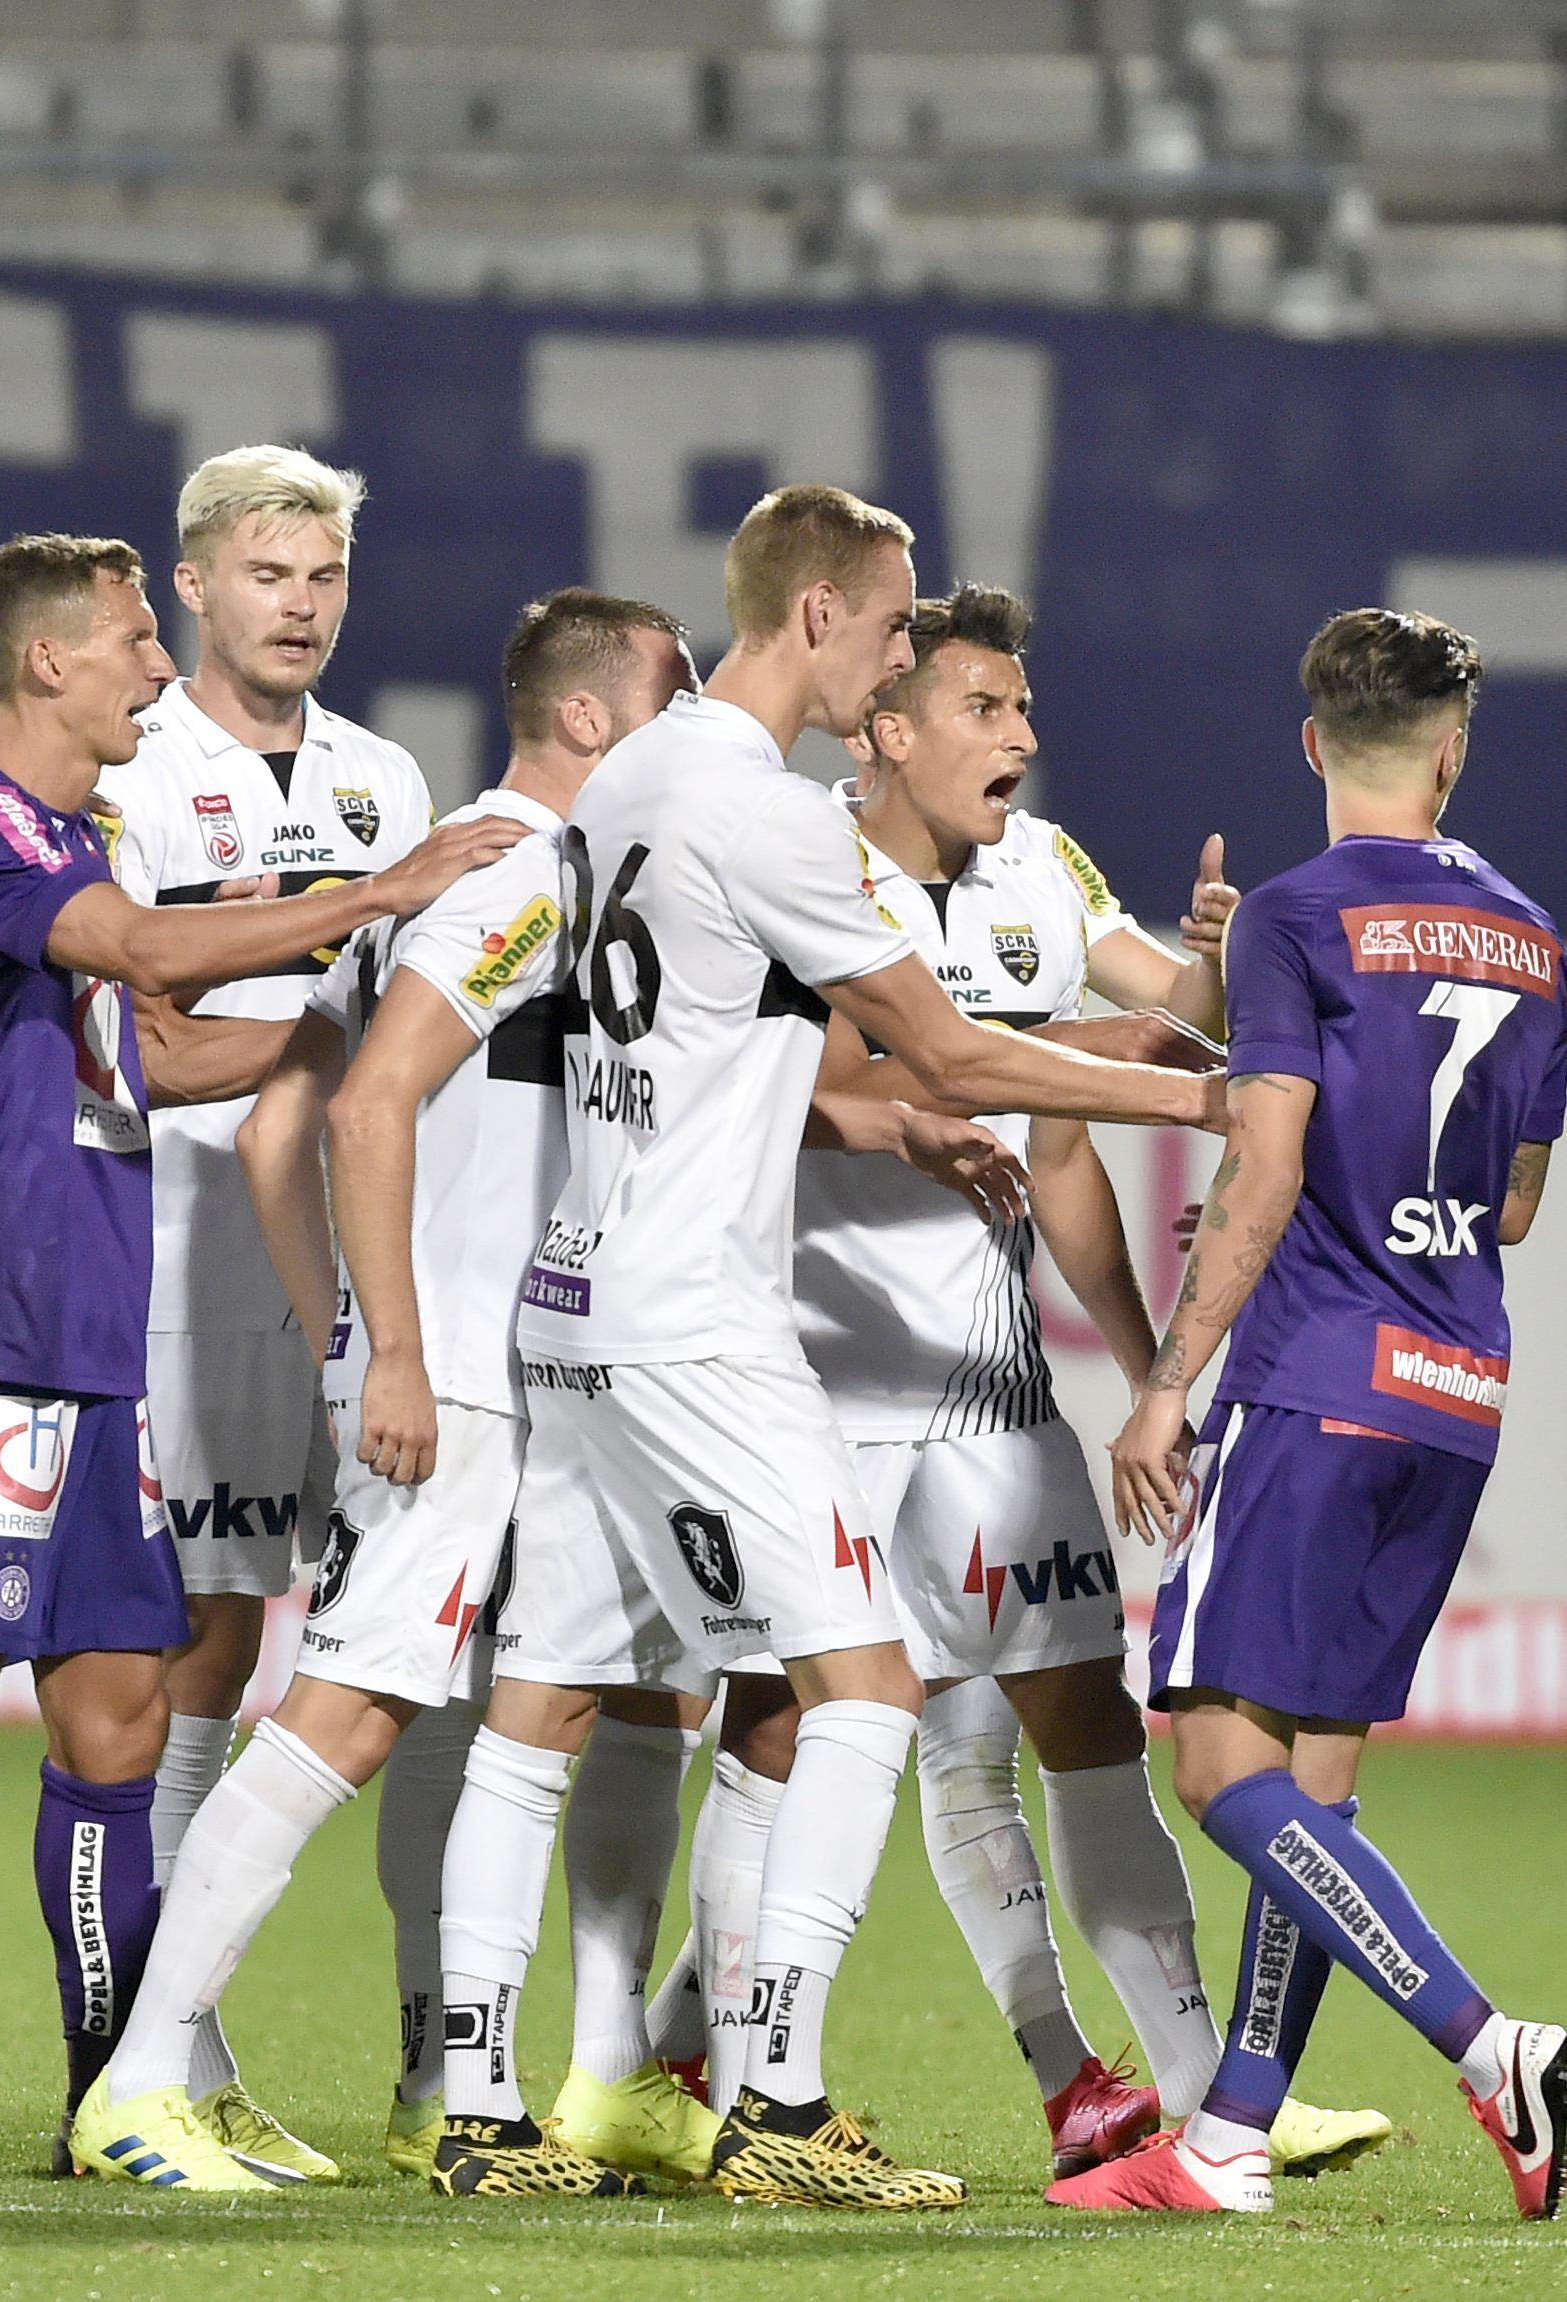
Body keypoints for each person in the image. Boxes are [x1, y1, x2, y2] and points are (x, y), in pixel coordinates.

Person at [435, 484, 1223, 2209]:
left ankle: (484, 2106)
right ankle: (776, 2099)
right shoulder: (774, 813)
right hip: (701, 1317)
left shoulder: (631, 773)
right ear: (816, 615)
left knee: (543, 1696)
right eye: (887, 624)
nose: (894, 658)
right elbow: (950, 1057)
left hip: (573, 1291)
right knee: (859, 1688)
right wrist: (1199, 1092)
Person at [0, 532, 524, 2180]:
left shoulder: (70, 835)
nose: (160, 671)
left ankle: (118, 2093)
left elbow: (151, 1045)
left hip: (87, 1349)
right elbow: (148, 961)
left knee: (114, 1723)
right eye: (134, 642)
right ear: (46, 666)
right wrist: (378, 893)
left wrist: (337, 1027)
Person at [655, 584, 1388, 2181]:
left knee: (1082, 1717)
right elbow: (824, 1081)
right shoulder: (802, 863)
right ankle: (726, 2071)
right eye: (987, 708)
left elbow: (1139, 1035)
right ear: (889, 724)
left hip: (987, 1395)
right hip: (816, 1381)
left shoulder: (1040, 867)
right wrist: (1083, 1052)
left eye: (1024, 709)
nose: (1022, 736)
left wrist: (1208, 966)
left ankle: (1201, 2097)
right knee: (786, 1722)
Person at [70, 589, 728, 2193]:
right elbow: (364, 1111)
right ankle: (141, 2080)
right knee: (348, 1708)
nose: (696, 720)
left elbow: (284, 1122)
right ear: (585, 718)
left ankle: (466, 2080)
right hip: (470, 1376)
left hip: (519, 1367)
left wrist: (341, 1329)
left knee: (533, 1703)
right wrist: (398, 1351)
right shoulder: (512, 866)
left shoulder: (496, 872)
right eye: (674, 692)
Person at [1058, 608, 1566, 2218]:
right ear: (1451, 749)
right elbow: (1512, 1205)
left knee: (1215, 1767)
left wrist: (1158, 1384)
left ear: (1306, 745)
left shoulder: (1293, 915)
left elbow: (1262, 1167)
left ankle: (1499, 2049)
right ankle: (1225, 2142)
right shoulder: (1534, 935)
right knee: (1313, 1792)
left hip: (1316, 1380)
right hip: (1456, 1386)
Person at [98, 446, 435, 2176]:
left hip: (358, 1275)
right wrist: (323, 1039)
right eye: (267, 574)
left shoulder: (386, 779)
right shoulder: (135, 768)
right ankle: (165, 2052)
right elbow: (138, 1041)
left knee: (388, 1658)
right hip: (181, 1266)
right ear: (194, 587)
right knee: (208, 1647)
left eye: (322, 577)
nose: (297, 605)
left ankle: (290, 2051)